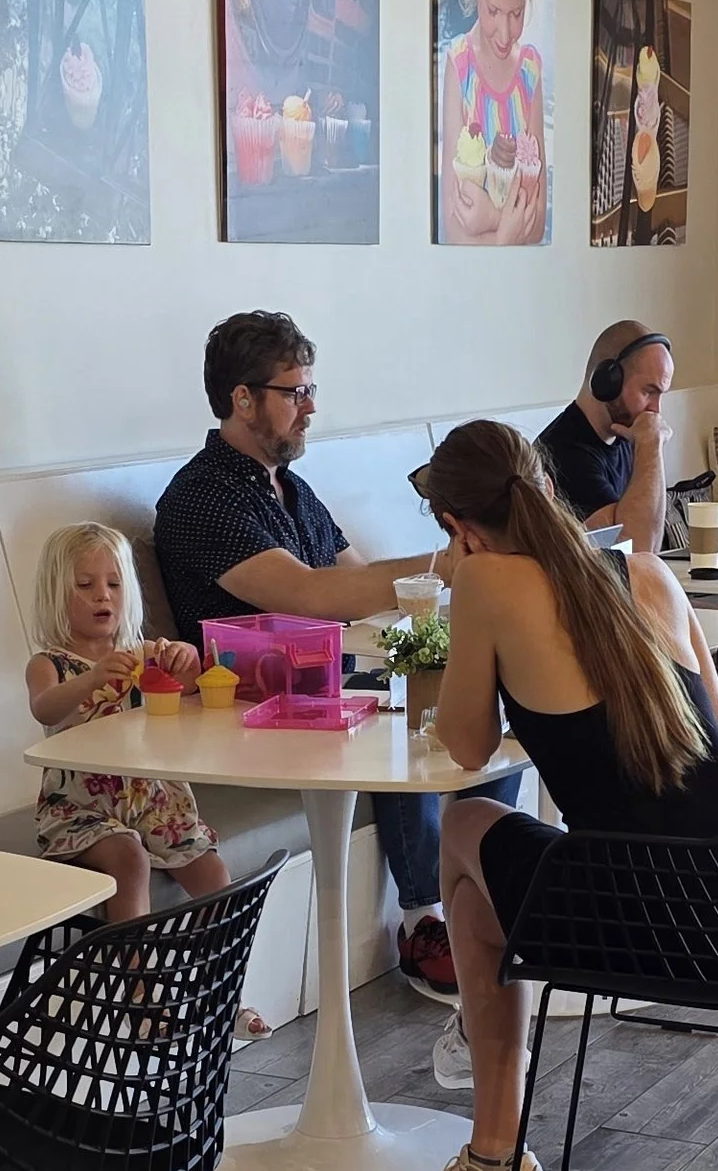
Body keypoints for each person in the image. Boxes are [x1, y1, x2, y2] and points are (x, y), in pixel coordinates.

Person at [386, 423, 718, 1171]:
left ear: (456, 524)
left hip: (659, 924)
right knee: (484, 890)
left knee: (464, 825)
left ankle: (492, 1149)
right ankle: (490, 1112)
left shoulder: (484, 581)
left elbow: (469, 745)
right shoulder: (649, 571)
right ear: (545, 485)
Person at [154, 310, 490, 1001]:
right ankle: (423, 917)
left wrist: (441, 608)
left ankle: (482, 901)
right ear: (242, 398)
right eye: (295, 392)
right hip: (249, 704)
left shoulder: (290, 488)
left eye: (311, 389)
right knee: (395, 701)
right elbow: (312, 593)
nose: (310, 407)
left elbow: (362, 582)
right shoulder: (200, 499)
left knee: (477, 681)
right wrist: (453, 562)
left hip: (321, 680)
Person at [26, 523, 237, 924]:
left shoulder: (141, 653)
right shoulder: (49, 664)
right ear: (56, 595)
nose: (102, 595)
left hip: (153, 799)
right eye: (85, 585)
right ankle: (133, 978)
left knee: (212, 871)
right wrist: (91, 679)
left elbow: (192, 685)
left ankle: (217, 973)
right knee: (129, 856)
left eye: (114, 584)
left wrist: (185, 656)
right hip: (80, 806)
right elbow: (44, 708)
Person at [437, 0, 548, 247]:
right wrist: (505, 234)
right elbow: (451, 225)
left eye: (516, 13)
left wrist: (491, 219)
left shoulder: (530, 71)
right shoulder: (459, 65)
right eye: (493, 11)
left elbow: (537, 224)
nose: (505, 32)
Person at [537, 322, 673, 550]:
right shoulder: (563, 455)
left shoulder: (627, 438)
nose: (656, 410)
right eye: (648, 391)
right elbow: (638, 553)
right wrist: (651, 444)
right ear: (606, 381)